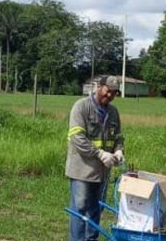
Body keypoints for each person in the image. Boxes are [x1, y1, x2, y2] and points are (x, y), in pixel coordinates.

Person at [66, 75, 125, 241]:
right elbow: (77, 137)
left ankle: (91, 239)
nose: (110, 95)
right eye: (108, 91)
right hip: (82, 170)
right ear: (99, 87)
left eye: (114, 93)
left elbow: (118, 136)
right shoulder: (81, 107)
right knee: (80, 208)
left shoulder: (113, 112)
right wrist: (99, 153)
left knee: (96, 208)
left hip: (103, 172)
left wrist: (119, 150)